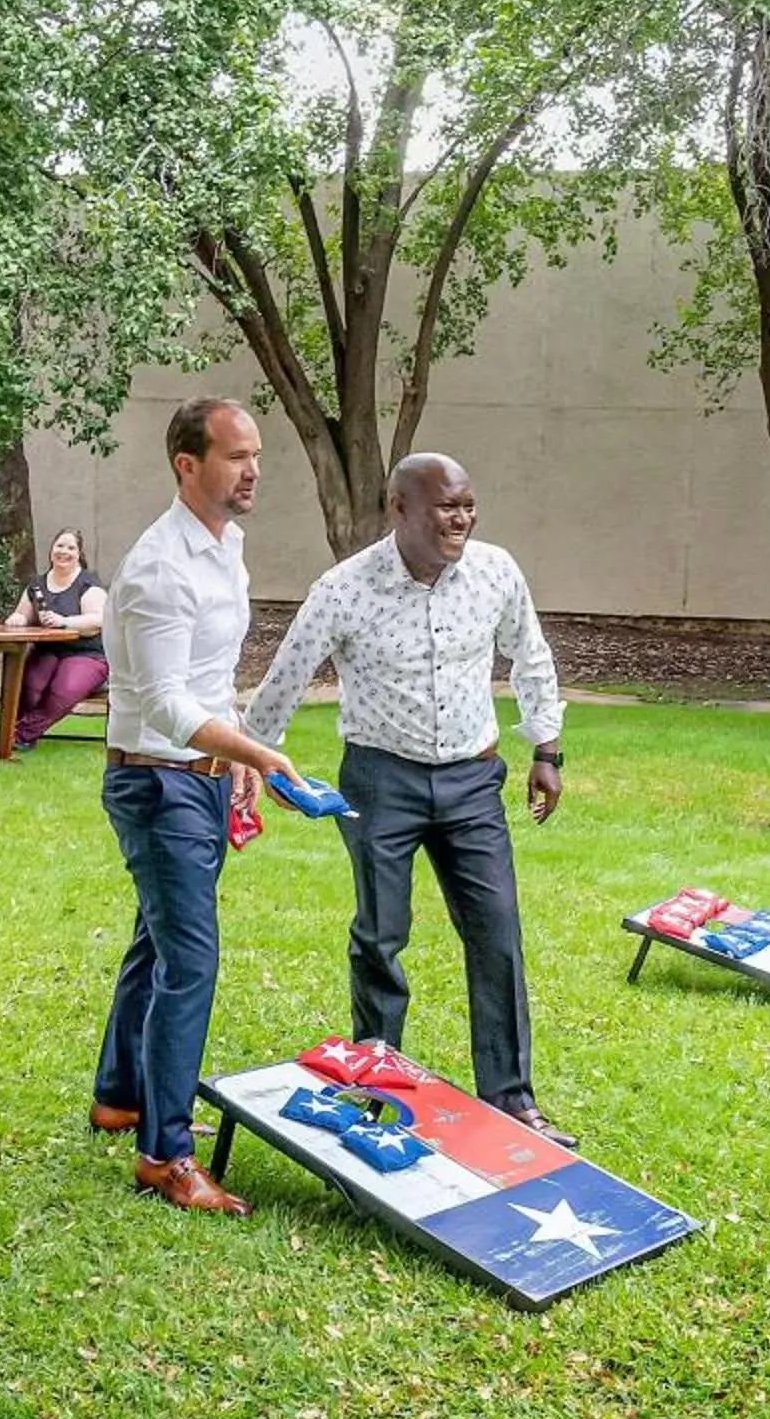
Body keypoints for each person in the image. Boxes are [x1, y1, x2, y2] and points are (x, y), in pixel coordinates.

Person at [243, 452, 575, 1146]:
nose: (461, 519)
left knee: (496, 932)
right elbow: (286, 675)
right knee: (381, 935)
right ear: (399, 509)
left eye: (467, 504)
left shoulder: (494, 572)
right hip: (380, 782)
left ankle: (511, 1097)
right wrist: (253, 760)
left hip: (472, 779)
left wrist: (545, 748)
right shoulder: (344, 589)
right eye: (445, 508)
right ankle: (374, 1080)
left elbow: (532, 655)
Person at [93, 397, 299, 1216]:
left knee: (157, 939)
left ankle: (118, 1095)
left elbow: (211, 682)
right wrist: (258, 753)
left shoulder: (226, 547)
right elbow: (170, 706)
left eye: (256, 456)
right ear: (188, 464)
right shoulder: (156, 571)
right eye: (236, 456)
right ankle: (164, 1156)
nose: (252, 471)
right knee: (191, 960)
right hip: (157, 782)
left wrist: (237, 747)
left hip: (201, 773)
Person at [5, 526, 109, 750]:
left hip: (87, 653)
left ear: (79, 553)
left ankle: (18, 735)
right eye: (60, 545)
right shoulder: (37, 584)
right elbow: (23, 613)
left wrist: (65, 621)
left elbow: (99, 620)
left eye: (71, 547)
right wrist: (17, 619)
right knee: (31, 686)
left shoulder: (88, 583)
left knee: (63, 689)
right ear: (52, 550)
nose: (64, 551)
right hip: (48, 650)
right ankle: (17, 734)